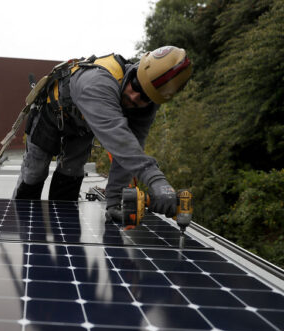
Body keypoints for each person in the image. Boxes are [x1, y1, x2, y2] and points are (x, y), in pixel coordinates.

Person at [13, 46, 192, 222]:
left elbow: (130, 149)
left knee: (71, 172)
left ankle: (63, 228)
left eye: (146, 97)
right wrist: (156, 180)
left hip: (83, 125)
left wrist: (113, 201)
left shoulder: (146, 107)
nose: (136, 97)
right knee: (34, 173)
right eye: (136, 85)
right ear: (135, 71)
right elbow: (119, 139)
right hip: (50, 113)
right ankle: (26, 225)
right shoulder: (96, 82)